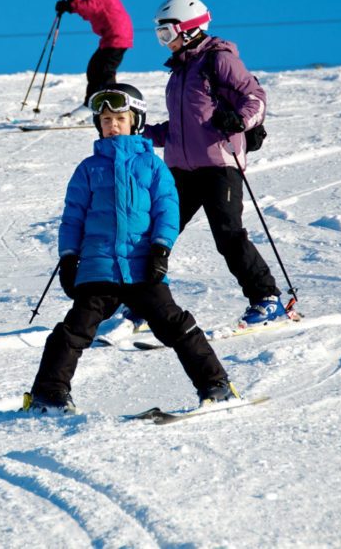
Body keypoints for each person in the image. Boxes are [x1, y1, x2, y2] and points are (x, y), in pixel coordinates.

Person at [23, 84, 237, 415]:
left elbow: (168, 211)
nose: (112, 125)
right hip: (98, 268)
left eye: (120, 118)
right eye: (106, 119)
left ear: (135, 121)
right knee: (74, 330)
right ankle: (48, 393)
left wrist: (160, 250)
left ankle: (216, 385)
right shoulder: (88, 169)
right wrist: (68, 259)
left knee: (175, 325)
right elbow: (72, 219)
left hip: (142, 267)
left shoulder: (152, 166)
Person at [142, 0, 290, 325]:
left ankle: (267, 299)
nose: (163, 43)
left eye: (167, 34)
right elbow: (181, 129)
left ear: (189, 29)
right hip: (181, 169)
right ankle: (141, 304)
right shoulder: (179, 72)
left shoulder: (218, 60)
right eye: (159, 36)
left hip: (219, 166)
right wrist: (143, 133)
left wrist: (240, 119)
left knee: (228, 235)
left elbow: (255, 97)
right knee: (156, 234)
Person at [54, 0, 134, 120]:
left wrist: (73, 1)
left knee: (104, 72)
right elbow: (90, 12)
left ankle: (110, 108)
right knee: (95, 69)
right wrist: (70, 4)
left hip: (117, 35)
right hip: (110, 36)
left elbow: (91, 8)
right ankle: (92, 106)